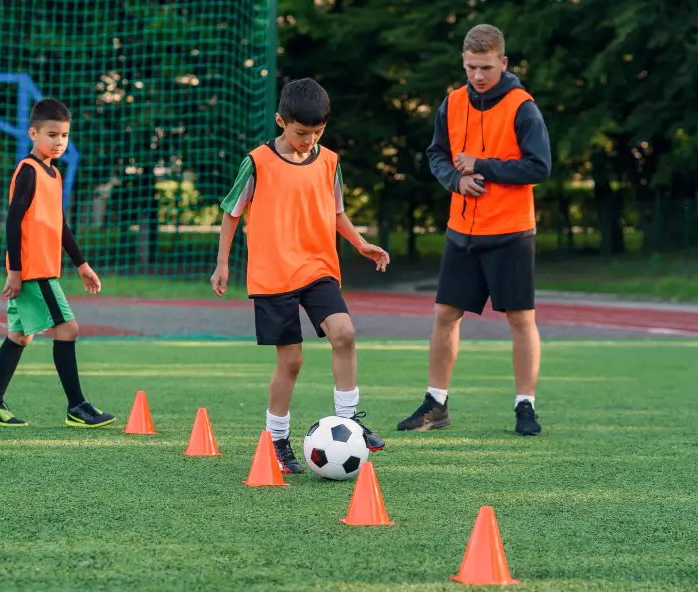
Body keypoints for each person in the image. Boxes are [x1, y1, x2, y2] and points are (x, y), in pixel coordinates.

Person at [210, 78, 390, 473]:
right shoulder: (257, 161)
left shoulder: (330, 162)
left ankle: (348, 420)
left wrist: (361, 244)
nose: (309, 141)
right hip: (273, 274)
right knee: (291, 361)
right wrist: (222, 263)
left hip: (317, 267)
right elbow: (231, 212)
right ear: (281, 121)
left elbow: (337, 212)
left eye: (317, 132)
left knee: (344, 333)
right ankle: (277, 439)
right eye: (301, 133)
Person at [397, 24, 551, 436]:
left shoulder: (523, 107)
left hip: (512, 231)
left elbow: (539, 167)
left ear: (503, 62)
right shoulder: (451, 103)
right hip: (461, 231)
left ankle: (525, 406)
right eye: (471, 67)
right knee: (445, 314)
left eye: (486, 67)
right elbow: (437, 155)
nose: (478, 75)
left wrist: (482, 165)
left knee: (520, 318)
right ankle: (436, 404)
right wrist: (456, 180)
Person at [0, 98, 115, 429]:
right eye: (52, 135)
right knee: (68, 328)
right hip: (33, 270)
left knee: (20, 336)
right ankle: (77, 407)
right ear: (33, 134)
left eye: (64, 135)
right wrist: (15, 271)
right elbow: (12, 222)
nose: (59, 142)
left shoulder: (54, 174)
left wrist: (81, 264)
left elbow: (59, 224)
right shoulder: (29, 170)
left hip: (44, 268)